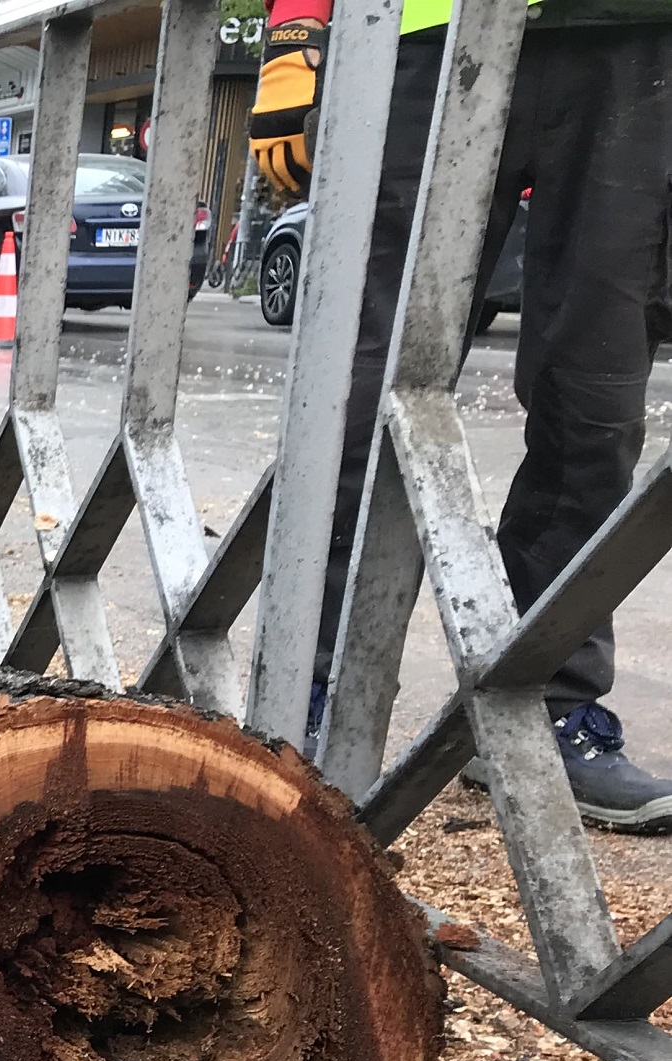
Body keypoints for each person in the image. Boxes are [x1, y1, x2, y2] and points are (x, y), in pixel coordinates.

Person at [256, 0, 672, 828]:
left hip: (635, 42)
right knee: (364, 388)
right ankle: (306, 688)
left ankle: (546, 701)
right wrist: (297, 29)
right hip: (427, 33)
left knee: (594, 401)